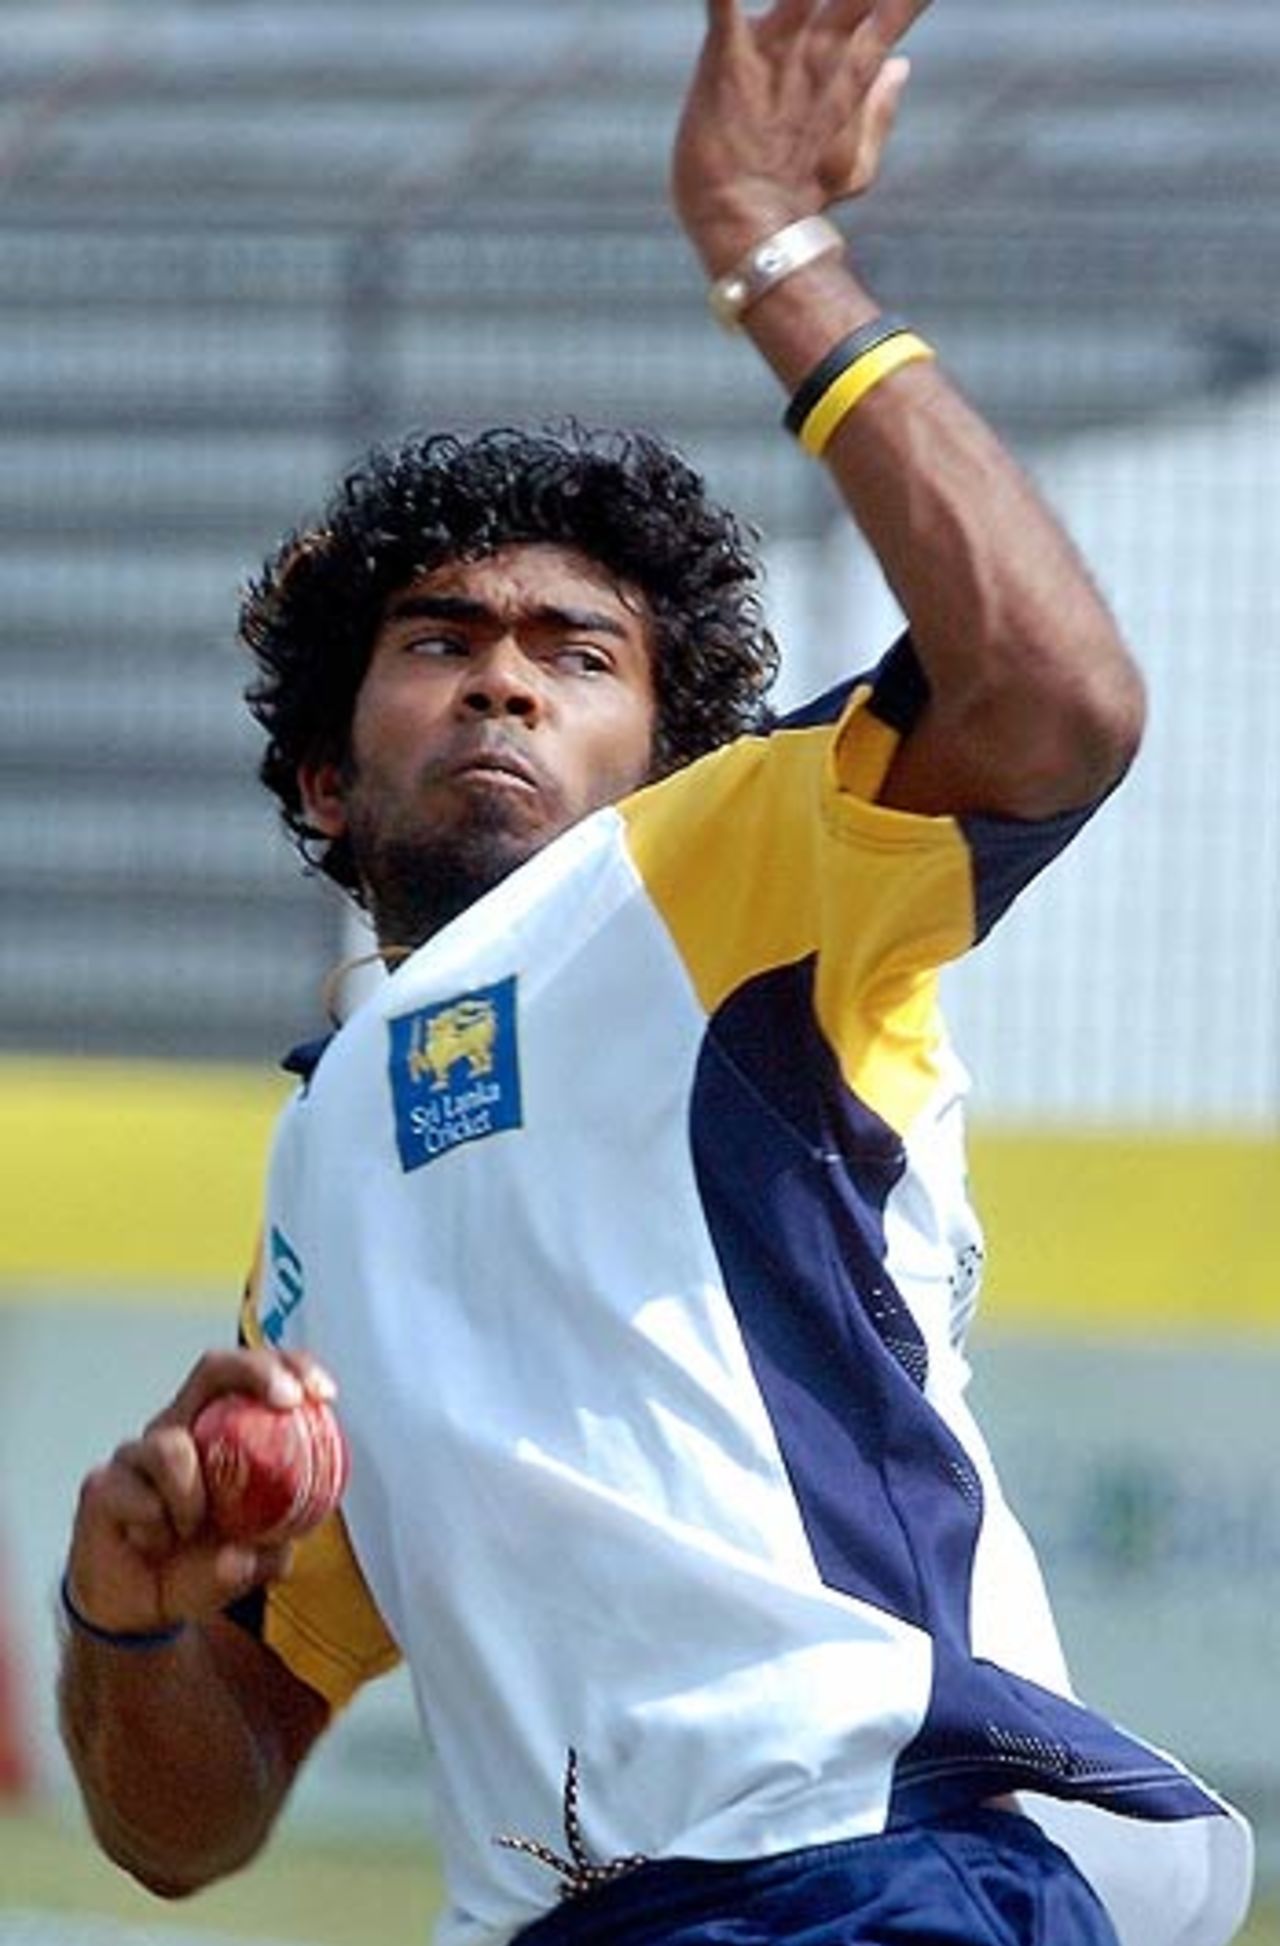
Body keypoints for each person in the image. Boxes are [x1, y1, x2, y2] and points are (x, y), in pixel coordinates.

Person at [56, 4, 1252, 1945]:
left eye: (580, 653)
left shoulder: (719, 870)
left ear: (672, 758)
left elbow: (1060, 703)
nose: (509, 672)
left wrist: (773, 244)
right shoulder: (328, 1160)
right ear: (321, 775)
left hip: (871, 1866)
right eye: (440, 640)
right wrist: (123, 1611)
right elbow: (186, 1825)